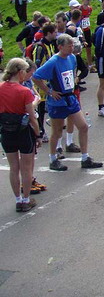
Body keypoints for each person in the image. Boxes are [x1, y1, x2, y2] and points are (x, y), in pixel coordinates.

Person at [33, 34, 103, 171]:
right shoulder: (53, 62)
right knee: (57, 131)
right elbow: (36, 76)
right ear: (60, 47)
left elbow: (71, 73)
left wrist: (75, 82)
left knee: (83, 126)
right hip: (58, 101)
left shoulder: (72, 58)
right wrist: (49, 91)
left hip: (70, 98)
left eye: (72, 45)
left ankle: (85, 157)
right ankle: (53, 159)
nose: (72, 48)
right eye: (69, 45)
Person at [0, 58, 41, 212]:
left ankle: (17, 199)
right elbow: (32, 117)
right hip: (23, 132)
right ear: (20, 72)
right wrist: (37, 135)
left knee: (13, 167)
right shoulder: (24, 91)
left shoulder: (1, 88)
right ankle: (26, 199)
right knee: (26, 167)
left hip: (6, 131)